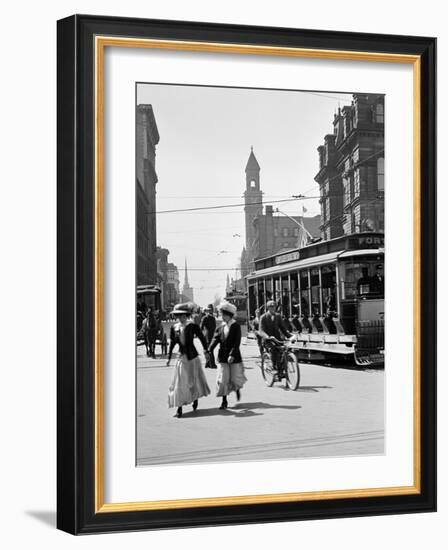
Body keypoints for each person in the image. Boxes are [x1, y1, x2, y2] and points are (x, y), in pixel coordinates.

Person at [166, 303, 211, 418]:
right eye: (179, 316)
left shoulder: (192, 326)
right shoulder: (174, 328)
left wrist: (206, 350)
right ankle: (179, 408)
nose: (181, 318)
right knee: (180, 382)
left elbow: (201, 338)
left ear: (187, 315)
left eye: (183, 316)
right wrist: (169, 357)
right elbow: (172, 343)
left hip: (192, 358)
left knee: (193, 380)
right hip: (181, 357)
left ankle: (195, 398)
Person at [209, 300, 247, 410]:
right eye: (221, 315)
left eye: (224, 315)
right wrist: (209, 349)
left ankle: (237, 389)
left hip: (234, 356)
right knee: (222, 379)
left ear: (229, 315)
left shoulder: (236, 326)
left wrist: (232, 354)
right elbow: (215, 339)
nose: (222, 317)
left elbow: (236, 342)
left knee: (235, 378)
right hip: (222, 357)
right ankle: (224, 401)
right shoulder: (220, 327)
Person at [259, 300, 292, 369]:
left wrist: (290, 336)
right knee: (273, 349)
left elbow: (283, 328)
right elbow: (261, 331)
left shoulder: (278, 316)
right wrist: (268, 337)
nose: (273, 308)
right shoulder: (263, 317)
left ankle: (283, 368)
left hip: (277, 339)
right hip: (268, 340)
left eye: (274, 306)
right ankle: (274, 366)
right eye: (271, 306)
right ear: (268, 307)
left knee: (285, 348)